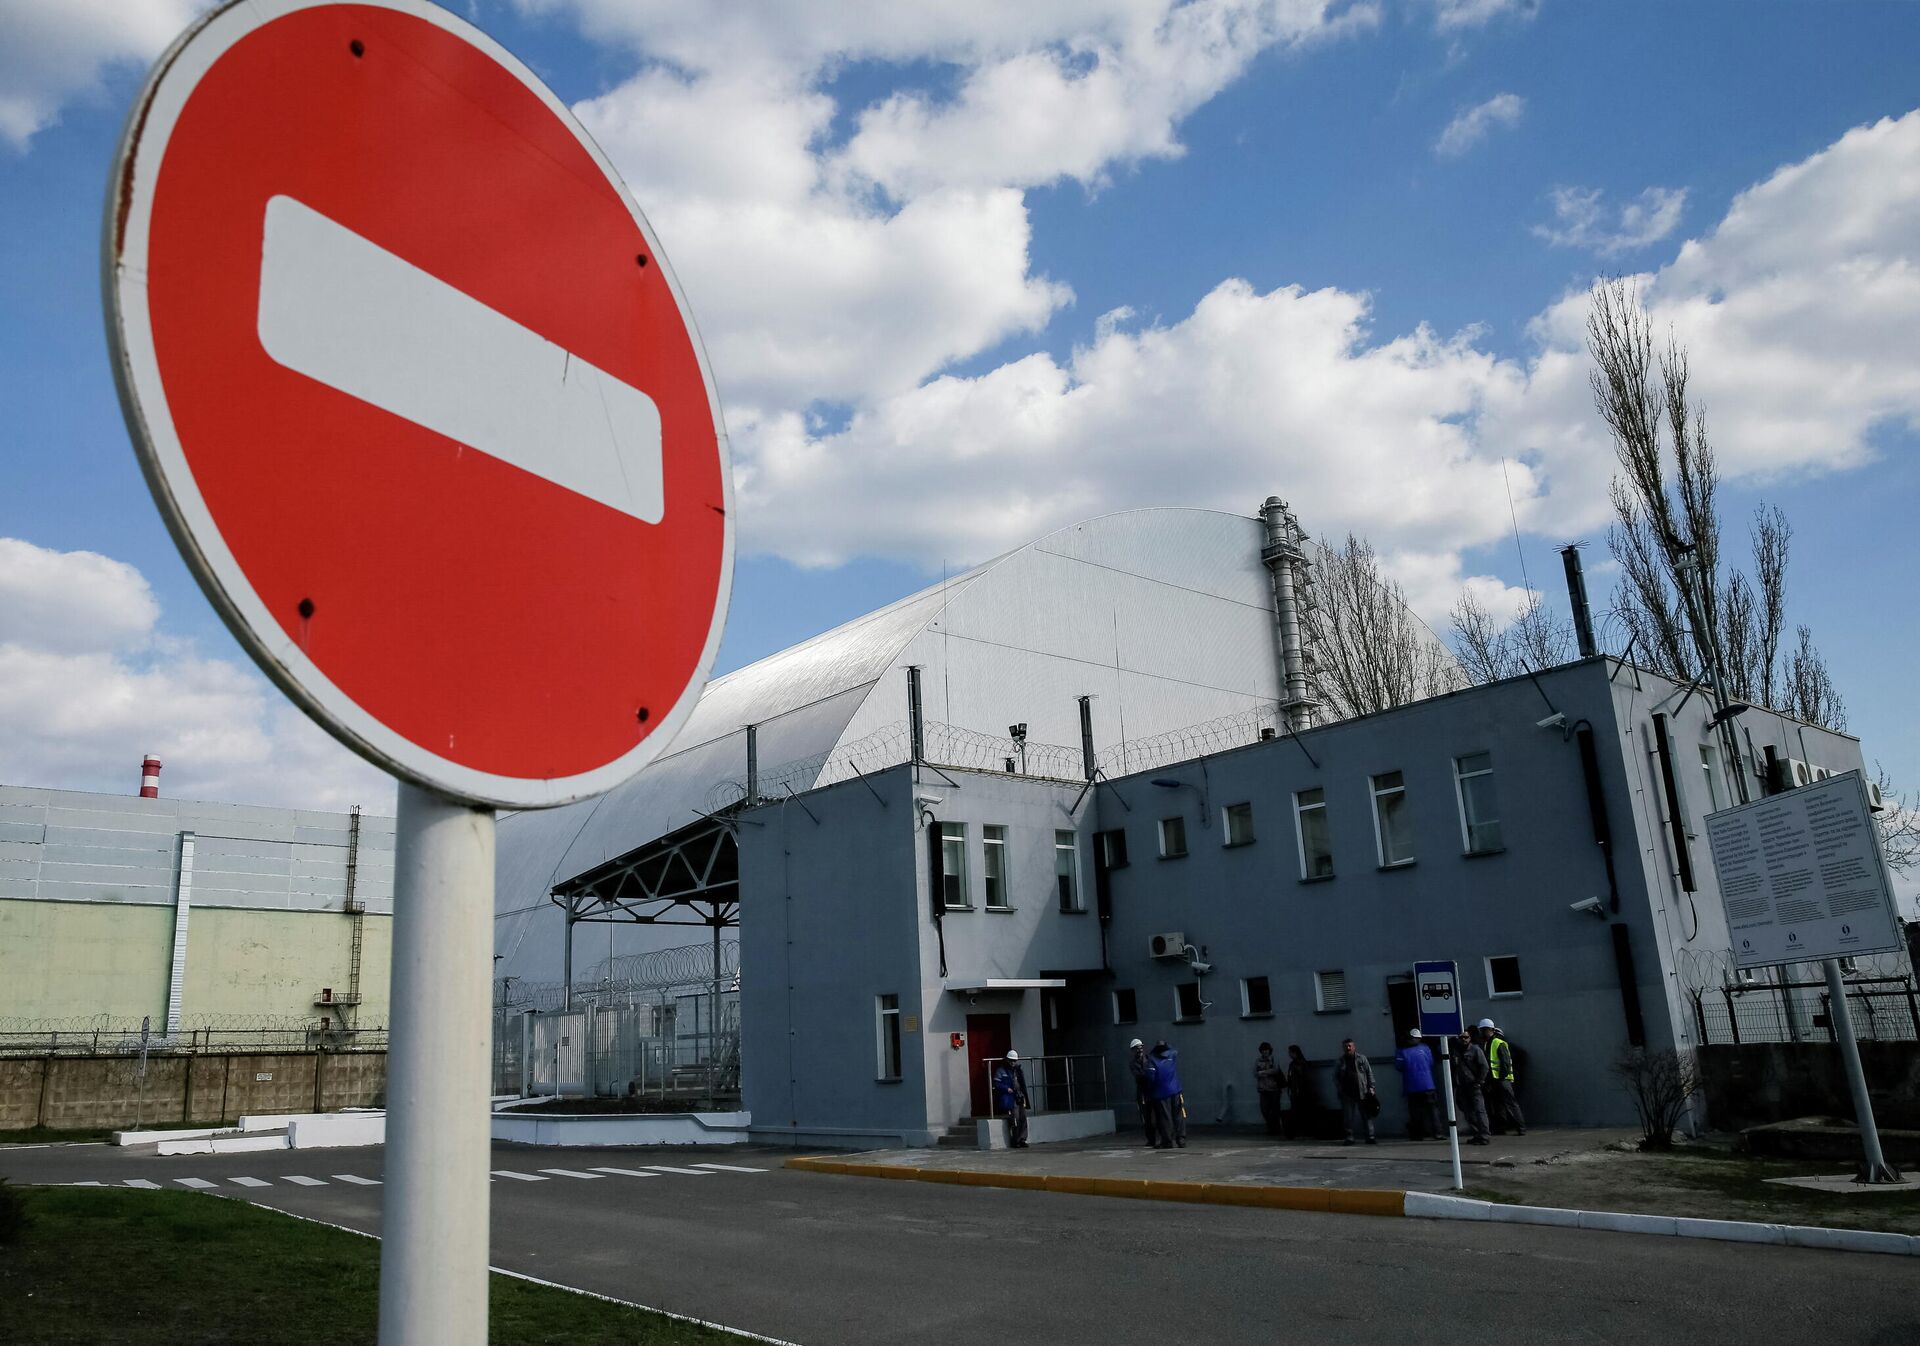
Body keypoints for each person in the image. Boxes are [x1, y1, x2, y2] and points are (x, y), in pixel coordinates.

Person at [1479, 1019, 1526, 1136]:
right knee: (1498, 1104)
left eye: (1483, 1030)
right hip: (1495, 1079)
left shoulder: (1498, 1043)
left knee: (1510, 1103)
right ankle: (1500, 1128)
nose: (1482, 1032)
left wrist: (1502, 1077)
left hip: (1502, 1079)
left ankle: (1521, 1127)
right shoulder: (1487, 1044)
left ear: (1490, 1030)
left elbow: (1505, 1062)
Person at [1394, 1029, 1441, 1141]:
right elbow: (1431, 1062)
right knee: (1433, 1110)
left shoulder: (1402, 1051)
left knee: (1415, 1112)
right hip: (1428, 1085)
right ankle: (1437, 1133)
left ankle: (1418, 1134)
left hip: (1412, 1086)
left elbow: (1399, 1066)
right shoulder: (1426, 1049)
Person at [1333, 1037, 1377, 1145]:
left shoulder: (1361, 1059)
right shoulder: (1340, 1061)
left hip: (1362, 1091)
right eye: (1346, 1046)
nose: (1348, 1048)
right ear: (1343, 1048)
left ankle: (1370, 1136)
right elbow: (1335, 1077)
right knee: (1348, 1117)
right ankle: (1349, 1138)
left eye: (1350, 1046)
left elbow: (1369, 1073)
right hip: (1347, 1093)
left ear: (1354, 1047)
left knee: (1366, 1115)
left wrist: (1372, 1087)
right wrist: (1340, 1088)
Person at [1453, 1028, 1491, 1145]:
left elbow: (1484, 1067)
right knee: (1467, 1111)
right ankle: (1477, 1133)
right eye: (1461, 1037)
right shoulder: (1456, 1051)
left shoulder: (1475, 1050)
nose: (1463, 1039)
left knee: (1480, 1110)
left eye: (1466, 1037)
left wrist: (1479, 1081)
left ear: (1470, 1038)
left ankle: (1484, 1135)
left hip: (1473, 1085)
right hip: (1462, 1086)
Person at [1129, 1038, 1168, 1148]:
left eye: (1141, 1047)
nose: (1139, 1050)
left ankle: (1163, 1138)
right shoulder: (1133, 1064)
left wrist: (1148, 1075)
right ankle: (1151, 1139)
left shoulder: (1150, 1059)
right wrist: (1148, 1074)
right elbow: (1139, 1077)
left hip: (1153, 1091)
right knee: (1147, 1118)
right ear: (1133, 1050)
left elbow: (1152, 1073)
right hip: (1143, 1093)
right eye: (1137, 1048)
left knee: (1158, 1115)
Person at [1150, 1041, 1187, 1148]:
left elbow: (1150, 1077)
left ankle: (1167, 1141)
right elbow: (1174, 1049)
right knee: (1179, 1115)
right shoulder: (1172, 1054)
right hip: (1175, 1090)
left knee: (1165, 1118)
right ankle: (1181, 1139)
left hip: (1161, 1093)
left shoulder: (1152, 1059)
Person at [993, 1049, 1031, 1149]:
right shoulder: (1001, 1070)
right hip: (1011, 1097)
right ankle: (1016, 1140)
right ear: (1007, 1060)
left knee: (1023, 1118)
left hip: (1019, 1096)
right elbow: (996, 1083)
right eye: (1011, 1060)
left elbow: (1022, 1083)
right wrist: (1006, 1088)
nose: (1013, 1063)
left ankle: (1022, 1139)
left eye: (1014, 1061)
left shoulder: (1018, 1070)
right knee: (1015, 1119)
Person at [1254, 1042, 1285, 1137]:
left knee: (1275, 1110)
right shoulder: (1258, 1061)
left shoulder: (1273, 1059)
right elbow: (1255, 1073)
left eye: (1266, 1050)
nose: (1265, 1052)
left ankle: (1276, 1129)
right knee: (1264, 1110)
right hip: (1263, 1088)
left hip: (1274, 1088)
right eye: (1263, 1050)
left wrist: (1263, 1072)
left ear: (1269, 1050)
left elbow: (1276, 1070)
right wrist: (1262, 1073)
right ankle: (1271, 1127)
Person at [1282, 1044, 1311, 1139]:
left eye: (1290, 1052)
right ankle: (1299, 1132)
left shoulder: (1300, 1063)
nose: (1289, 1054)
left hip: (1300, 1092)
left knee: (1300, 1112)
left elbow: (1303, 1078)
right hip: (1294, 1091)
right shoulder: (1293, 1064)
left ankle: (1303, 1132)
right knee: (1296, 1112)